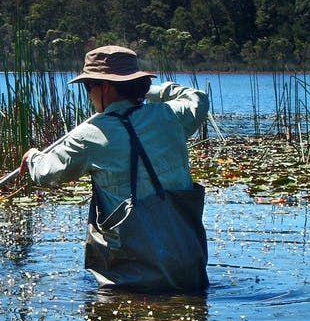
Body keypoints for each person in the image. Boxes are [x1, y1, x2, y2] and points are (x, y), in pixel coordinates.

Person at [20, 45, 210, 292]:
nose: (88, 94)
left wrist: (33, 157)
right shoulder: (169, 115)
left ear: (106, 87)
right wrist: (146, 93)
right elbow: (198, 98)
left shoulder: (90, 135)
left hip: (133, 279)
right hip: (188, 266)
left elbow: (47, 173)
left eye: (89, 86)